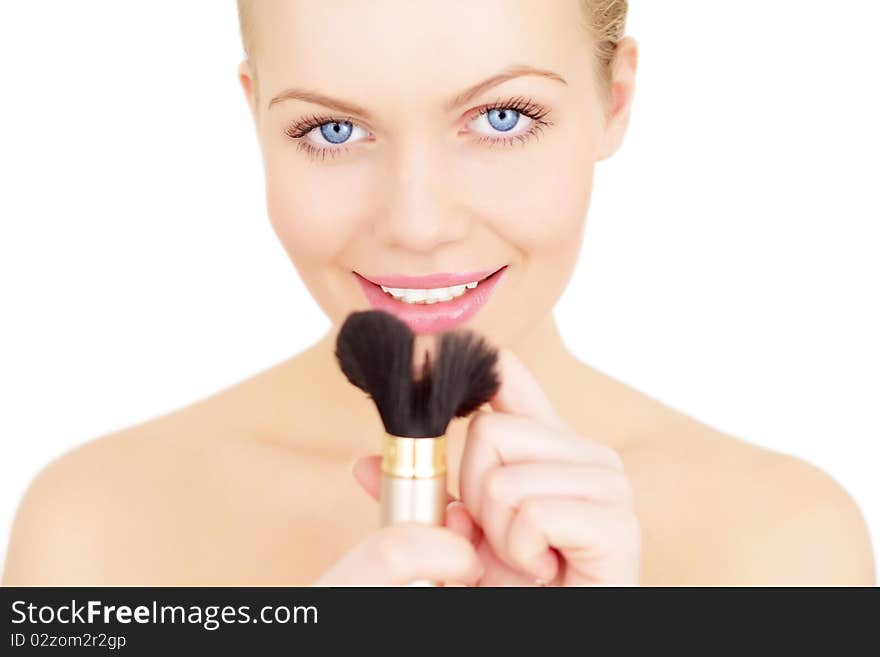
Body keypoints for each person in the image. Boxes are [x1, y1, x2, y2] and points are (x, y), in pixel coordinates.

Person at [2, 0, 875, 586]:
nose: (416, 224)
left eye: (502, 118)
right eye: (331, 129)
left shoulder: (789, 546)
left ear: (614, 99)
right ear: (255, 113)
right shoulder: (95, 532)